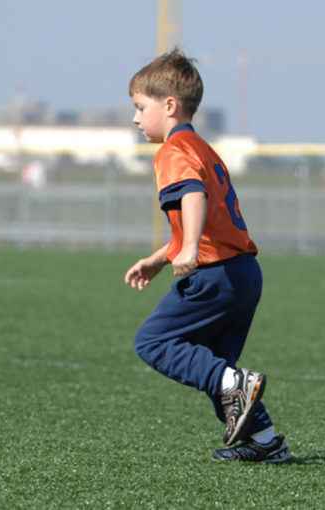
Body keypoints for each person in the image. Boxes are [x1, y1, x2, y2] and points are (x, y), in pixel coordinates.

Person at [123, 48, 290, 463]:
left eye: (140, 107)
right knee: (216, 363)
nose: (135, 118)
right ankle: (265, 441)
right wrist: (160, 258)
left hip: (214, 274)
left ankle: (235, 382)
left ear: (170, 105)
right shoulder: (202, 148)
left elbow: (194, 197)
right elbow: (205, 216)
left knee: (154, 341)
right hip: (243, 273)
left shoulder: (173, 151)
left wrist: (192, 248)